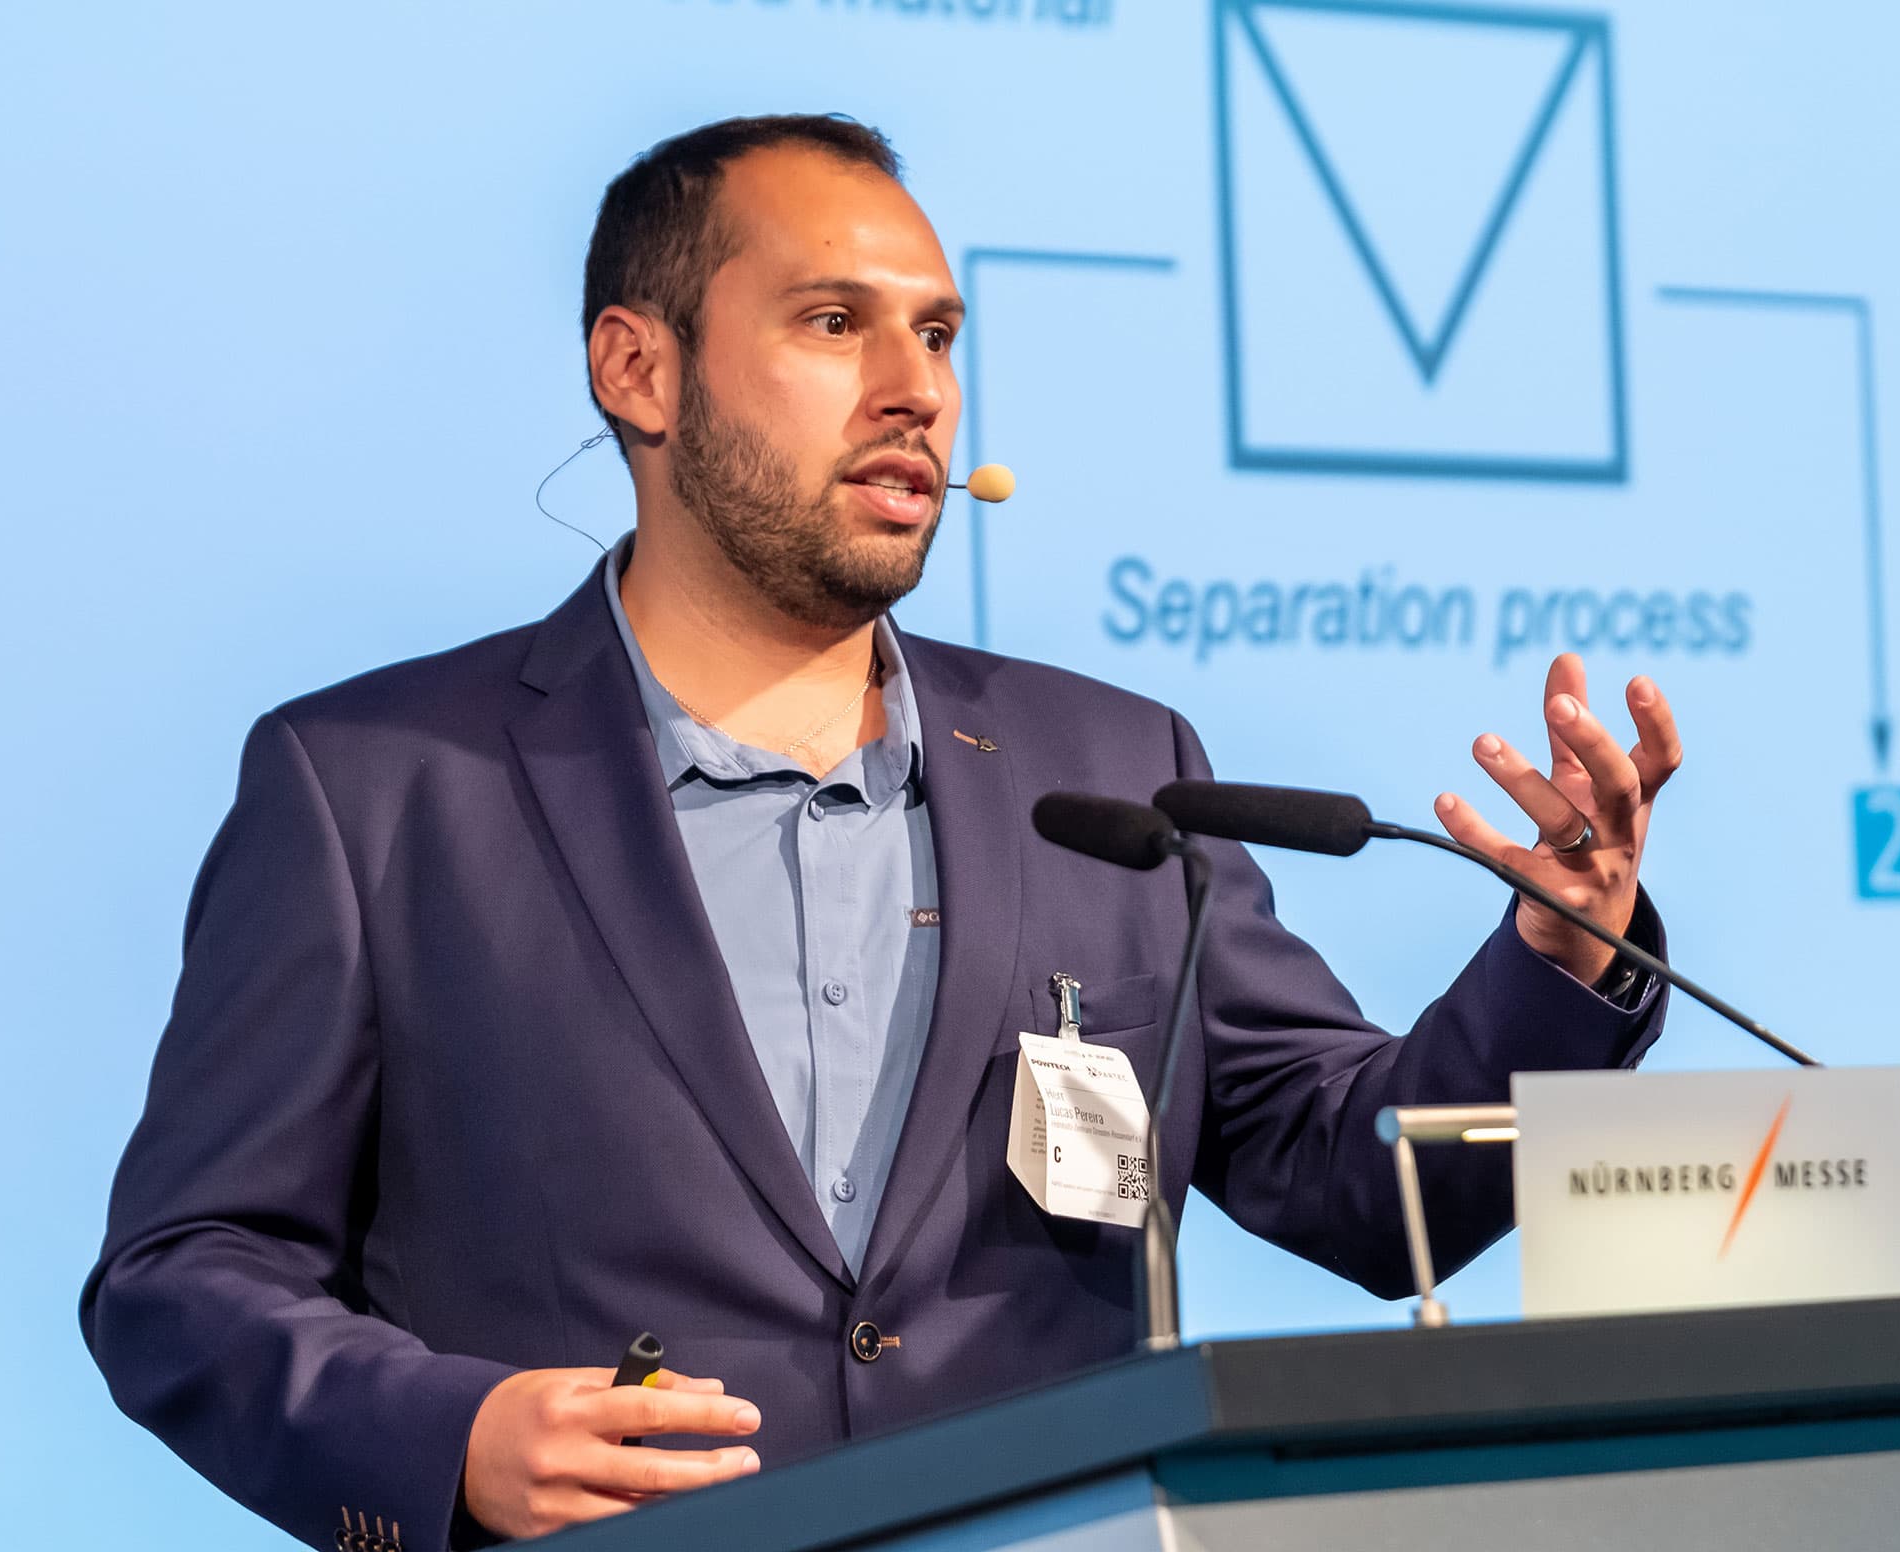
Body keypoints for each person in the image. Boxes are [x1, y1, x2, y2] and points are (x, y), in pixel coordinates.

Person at [81, 114, 1683, 1549]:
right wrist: (455, 1441)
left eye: (938, 334)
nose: (916, 390)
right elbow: (190, 1271)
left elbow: (1361, 1184)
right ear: (638, 371)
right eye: (834, 324)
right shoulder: (376, 788)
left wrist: (1558, 956)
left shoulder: (1114, 773)